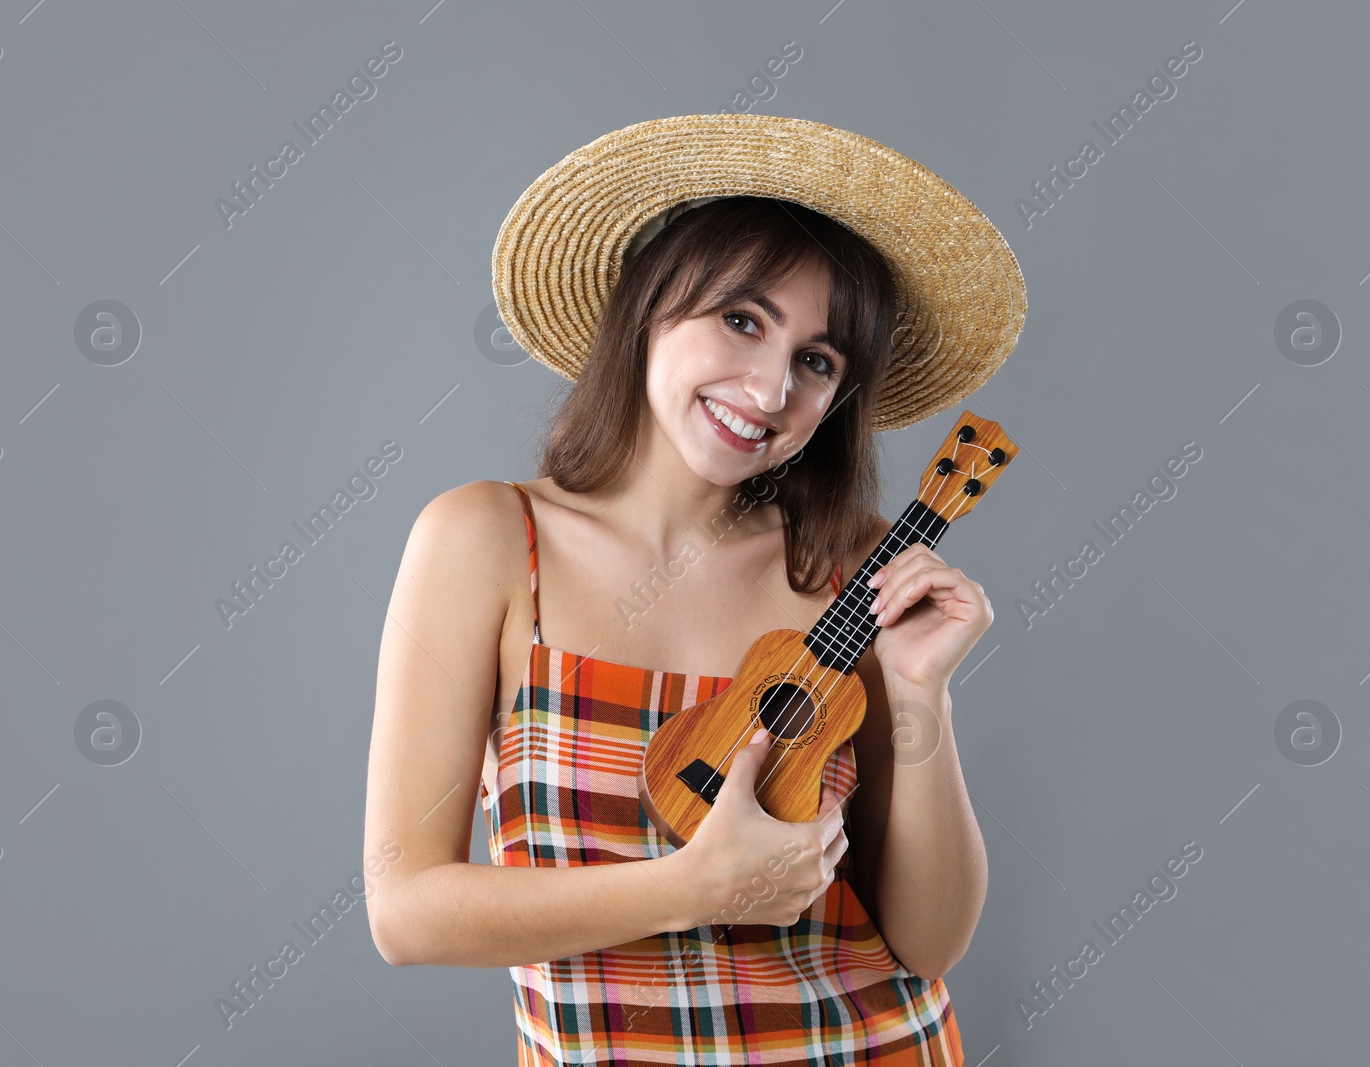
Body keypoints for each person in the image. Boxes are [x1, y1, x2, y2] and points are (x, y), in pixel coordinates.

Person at [363, 115, 1026, 1065]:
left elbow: (929, 943)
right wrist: (696, 884)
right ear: (649, 305)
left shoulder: (850, 568)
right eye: (743, 319)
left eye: (817, 359)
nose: (767, 390)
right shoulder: (489, 541)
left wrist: (922, 694)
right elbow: (406, 911)